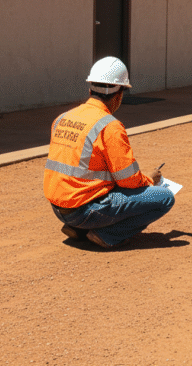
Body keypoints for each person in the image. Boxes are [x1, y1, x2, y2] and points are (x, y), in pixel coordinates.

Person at [43, 56, 175, 249]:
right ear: (119, 95)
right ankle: (106, 235)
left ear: (90, 90)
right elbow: (128, 180)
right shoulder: (109, 126)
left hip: (59, 208)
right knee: (165, 197)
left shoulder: (62, 118)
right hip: (84, 210)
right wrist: (150, 179)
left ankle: (79, 229)